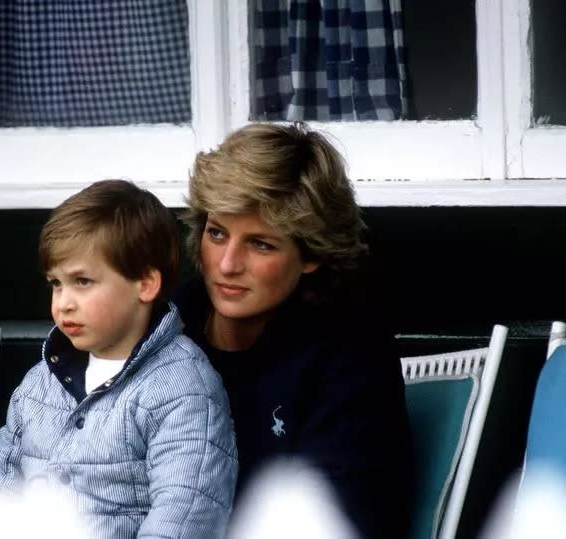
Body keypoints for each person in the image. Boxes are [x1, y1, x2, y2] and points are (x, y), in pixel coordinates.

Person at [175, 123, 414, 538]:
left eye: (260, 244)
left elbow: (342, 518)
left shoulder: (350, 352)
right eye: (217, 234)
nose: (228, 264)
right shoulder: (168, 326)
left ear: (311, 255)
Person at [0, 179, 238, 538]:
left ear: (145, 284)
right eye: (56, 283)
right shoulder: (41, 382)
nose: (63, 302)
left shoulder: (182, 389)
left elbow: (186, 513)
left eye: (82, 282)